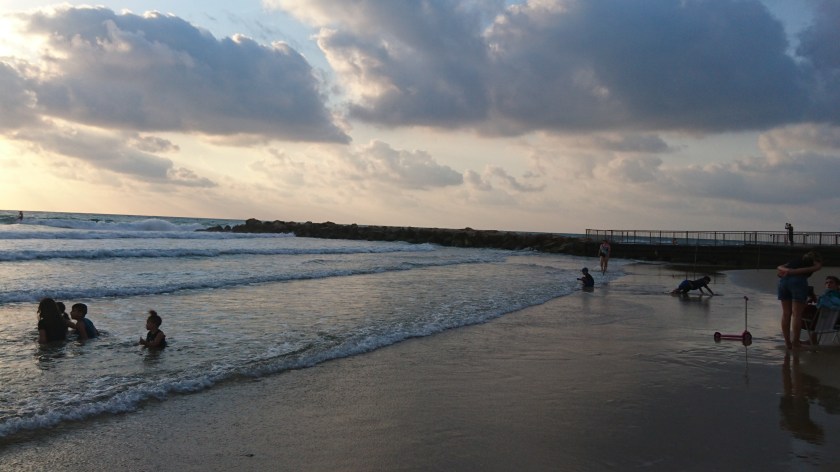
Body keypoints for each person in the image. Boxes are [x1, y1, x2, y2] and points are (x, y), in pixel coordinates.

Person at [778, 251, 822, 349]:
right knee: (797, 314)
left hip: (783, 281)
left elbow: (780, 267)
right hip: (798, 281)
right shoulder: (816, 264)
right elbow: (809, 269)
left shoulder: (796, 260)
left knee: (786, 313)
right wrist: (791, 271)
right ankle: (796, 342)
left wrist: (787, 270)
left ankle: (787, 342)